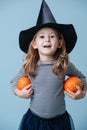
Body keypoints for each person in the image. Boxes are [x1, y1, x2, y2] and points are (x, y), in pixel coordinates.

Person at [10, 0, 87, 130]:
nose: (47, 39)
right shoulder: (30, 65)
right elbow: (13, 82)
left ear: (60, 43)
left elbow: (83, 79)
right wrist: (19, 93)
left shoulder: (63, 65)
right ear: (34, 44)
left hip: (59, 121)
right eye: (42, 37)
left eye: (52, 36)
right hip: (35, 120)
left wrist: (81, 94)